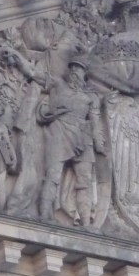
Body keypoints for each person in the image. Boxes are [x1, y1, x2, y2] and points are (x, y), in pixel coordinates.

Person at [33, 57, 105, 227]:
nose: (74, 72)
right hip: (59, 131)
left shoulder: (91, 97)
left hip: (83, 136)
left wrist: (98, 143)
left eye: (78, 69)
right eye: (72, 68)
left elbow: (95, 122)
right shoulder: (58, 84)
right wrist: (17, 57)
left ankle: (86, 223)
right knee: (52, 175)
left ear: (84, 74)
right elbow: (34, 74)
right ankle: (44, 214)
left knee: (84, 180)